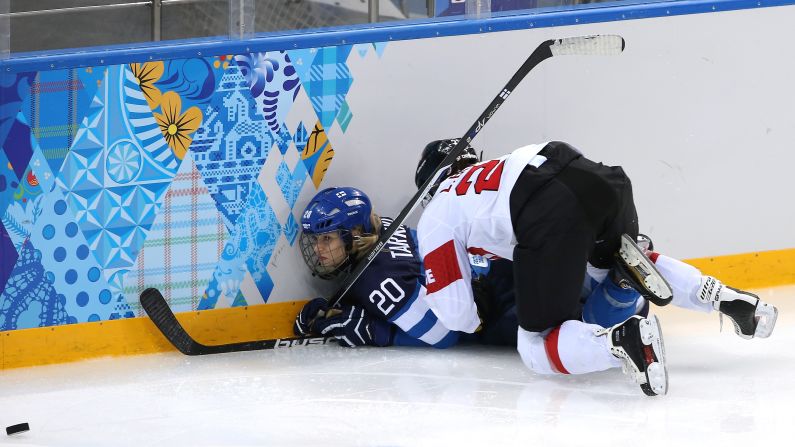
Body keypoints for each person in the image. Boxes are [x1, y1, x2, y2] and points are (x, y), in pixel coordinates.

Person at [414, 139, 778, 396]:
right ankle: (729, 299)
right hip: (594, 178)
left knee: (535, 346)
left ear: (427, 188)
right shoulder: (500, 165)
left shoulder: (437, 214)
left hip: (547, 210)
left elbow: (457, 313)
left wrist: (473, 317)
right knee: (611, 266)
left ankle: (622, 342)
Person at [292, 186, 459, 348]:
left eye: (327, 238)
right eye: (316, 239)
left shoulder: (381, 283)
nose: (316, 248)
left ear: (355, 234)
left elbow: (446, 334)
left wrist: (374, 331)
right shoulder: (381, 227)